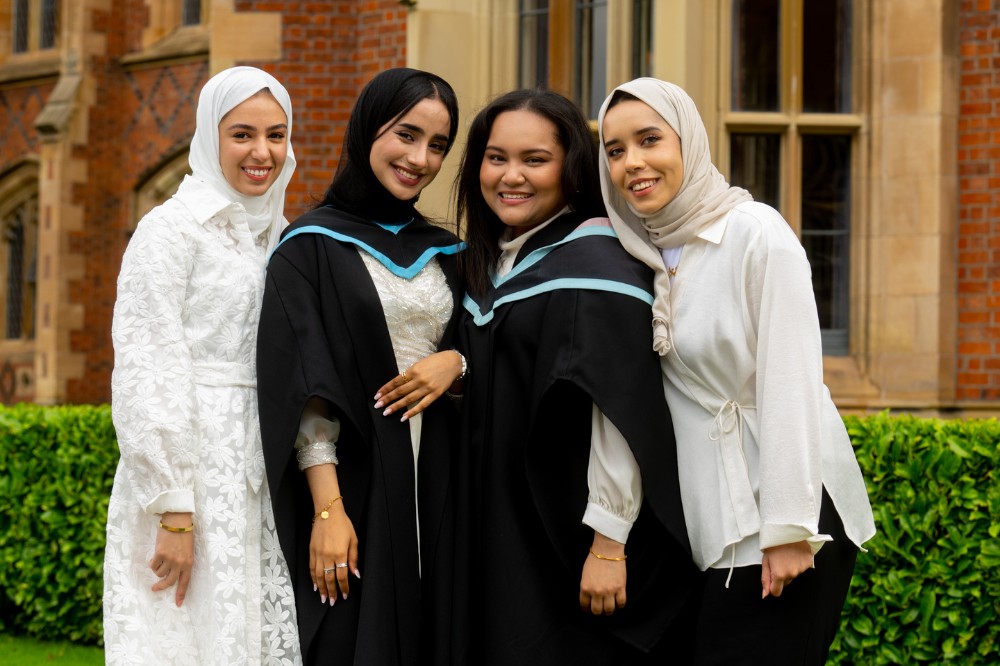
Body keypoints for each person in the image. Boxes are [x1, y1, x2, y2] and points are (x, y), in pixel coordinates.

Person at [598, 77, 877, 664]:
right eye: (616, 150)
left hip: (789, 509)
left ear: (690, 142)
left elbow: (792, 383)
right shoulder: (637, 254)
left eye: (650, 139)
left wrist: (789, 530)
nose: (633, 163)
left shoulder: (755, 233)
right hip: (710, 522)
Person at [446, 89, 698, 665]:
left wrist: (609, 544)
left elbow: (617, 409)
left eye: (535, 160)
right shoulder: (490, 260)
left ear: (571, 167)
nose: (512, 177)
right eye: (495, 157)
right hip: (496, 525)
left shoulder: (597, 262)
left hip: (563, 537)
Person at [256, 68, 466, 665]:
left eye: (437, 145)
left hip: (446, 476)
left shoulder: (448, 249)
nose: (420, 158)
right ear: (367, 129)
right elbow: (304, 383)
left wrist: (457, 360)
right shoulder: (309, 247)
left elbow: (489, 341)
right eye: (406, 134)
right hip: (358, 479)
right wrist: (330, 510)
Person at [104, 66, 301, 664]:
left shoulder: (284, 234)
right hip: (191, 471)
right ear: (209, 137)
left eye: (276, 134)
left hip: (266, 462)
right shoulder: (169, 231)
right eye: (242, 134)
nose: (261, 152)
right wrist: (174, 510)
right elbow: (148, 365)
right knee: (187, 633)